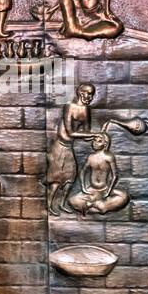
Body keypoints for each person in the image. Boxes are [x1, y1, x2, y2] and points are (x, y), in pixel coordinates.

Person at [44, 83, 96, 215]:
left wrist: (96, 137)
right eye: (88, 93)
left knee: (70, 178)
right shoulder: (69, 107)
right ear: (81, 93)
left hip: (69, 147)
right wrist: (92, 135)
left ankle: (62, 204)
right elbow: (70, 132)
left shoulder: (86, 110)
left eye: (92, 95)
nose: (90, 97)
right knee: (56, 179)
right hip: (59, 147)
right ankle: (49, 205)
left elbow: (86, 132)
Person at [67, 130, 130, 215]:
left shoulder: (108, 157)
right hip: (92, 190)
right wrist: (83, 187)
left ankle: (97, 206)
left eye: (99, 141)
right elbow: (82, 171)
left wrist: (109, 191)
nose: (95, 143)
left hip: (105, 189)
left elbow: (115, 175)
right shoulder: (91, 157)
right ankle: (98, 206)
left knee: (124, 197)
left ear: (105, 144)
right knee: (72, 200)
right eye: (94, 140)